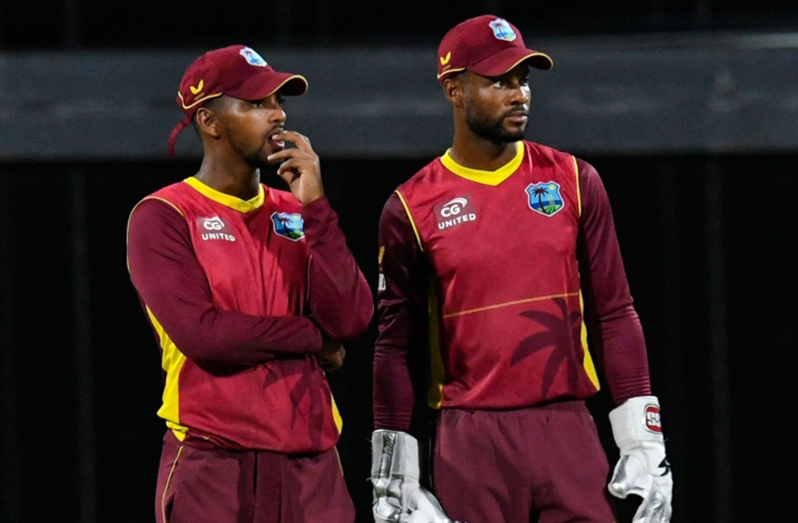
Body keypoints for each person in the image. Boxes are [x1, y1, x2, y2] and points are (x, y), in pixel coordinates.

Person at [370, 15, 673, 523]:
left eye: (523, 80)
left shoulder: (575, 180)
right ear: (454, 89)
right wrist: (392, 473)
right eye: (498, 82)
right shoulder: (410, 207)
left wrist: (644, 440)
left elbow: (616, 312)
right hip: (470, 441)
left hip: (567, 430)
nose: (519, 95)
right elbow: (394, 346)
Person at [127, 45, 373, 523]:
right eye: (256, 104)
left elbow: (353, 318)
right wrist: (314, 338)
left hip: (313, 466)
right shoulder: (163, 215)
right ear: (210, 121)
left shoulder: (295, 210)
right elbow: (205, 336)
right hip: (214, 464)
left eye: (278, 102)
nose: (277, 115)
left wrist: (317, 209)